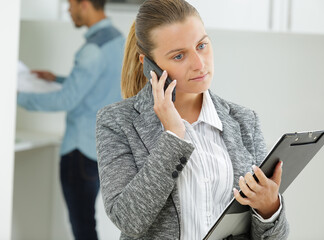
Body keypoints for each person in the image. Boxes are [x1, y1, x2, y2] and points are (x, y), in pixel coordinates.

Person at [96, 0, 289, 239]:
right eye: (178, 56)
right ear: (149, 66)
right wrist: (173, 137)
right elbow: (128, 220)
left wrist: (269, 208)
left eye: (202, 45)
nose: (199, 64)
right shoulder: (116, 122)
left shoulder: (244, 121)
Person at [17, 0, 125, 239]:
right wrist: (57, 79)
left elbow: (65, 101)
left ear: (84, 4)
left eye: (70, 4)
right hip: (103, 150)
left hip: (79, 151)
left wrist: (15, 96)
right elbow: (97, 88)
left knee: (82, 227)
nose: (68, 10)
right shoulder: (118, 40)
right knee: (88, 223)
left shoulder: (92, 50)